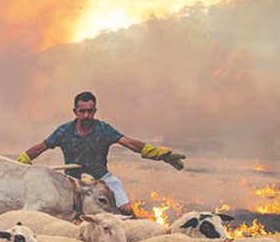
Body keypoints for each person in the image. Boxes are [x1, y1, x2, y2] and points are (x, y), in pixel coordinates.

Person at [16, 91, 185, 216]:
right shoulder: (64, 131)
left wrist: (157, 153)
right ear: (75, 111)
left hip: (102, 179)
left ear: (95, 111)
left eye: (90, 111)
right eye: (82, 111)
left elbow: (129, 143)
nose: (86, 115)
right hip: (75, 184)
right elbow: (41, 147)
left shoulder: (103, 129)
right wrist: (21, 162)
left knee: (126, 211)